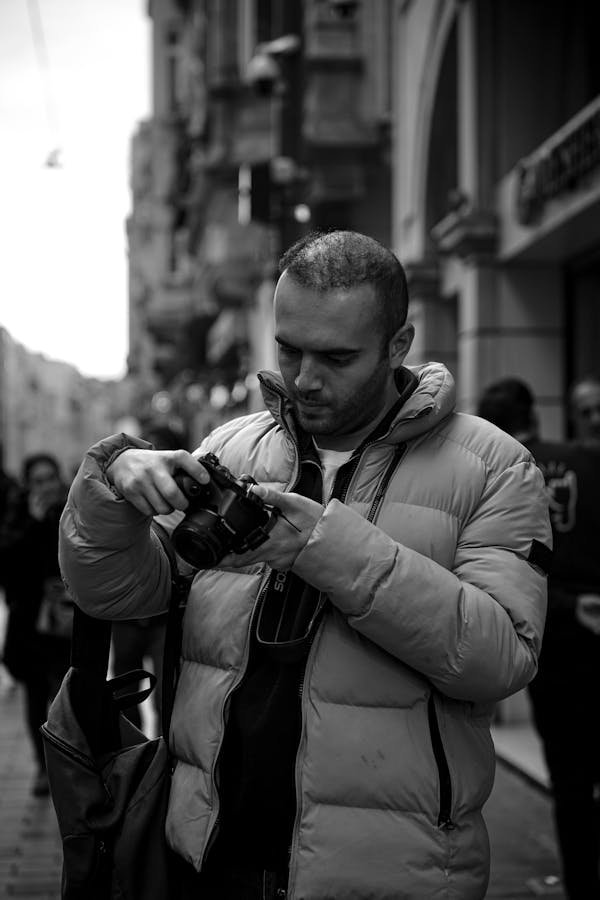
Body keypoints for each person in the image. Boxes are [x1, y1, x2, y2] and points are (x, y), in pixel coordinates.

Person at [59, 231, 551, 900]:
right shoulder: (232, 445)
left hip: (386, 872)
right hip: (208, 855)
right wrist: (113, 486)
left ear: (398, 346)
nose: (304, 378)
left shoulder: (493, 465)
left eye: (337, 357)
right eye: (289, 349)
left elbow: (499, 659)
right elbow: (115, 592)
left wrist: (324, 546)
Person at [478, 376, 600, 899]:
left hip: (551, 650)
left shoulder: (497, 474)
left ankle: (581, 886)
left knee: (570, 784)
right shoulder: (588, 462)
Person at [0, 453, 71, 797]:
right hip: (29, 621)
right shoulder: (17, 516)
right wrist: (33, 522)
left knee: (66, 693)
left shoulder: (74, 509)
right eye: (38, 480)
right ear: (28, 484)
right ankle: (42, 769)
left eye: (50, 478)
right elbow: (9, 563)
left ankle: (68, 764)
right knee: (35, 694)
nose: (46, 487)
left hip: (67, 617)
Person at [110, 423, 187, 732]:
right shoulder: (120, 494)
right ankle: (131, 763)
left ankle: (163, 760)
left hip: (165, 615)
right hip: (127, 615)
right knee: (125, 696)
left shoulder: (183, 499)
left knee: (167, 695)